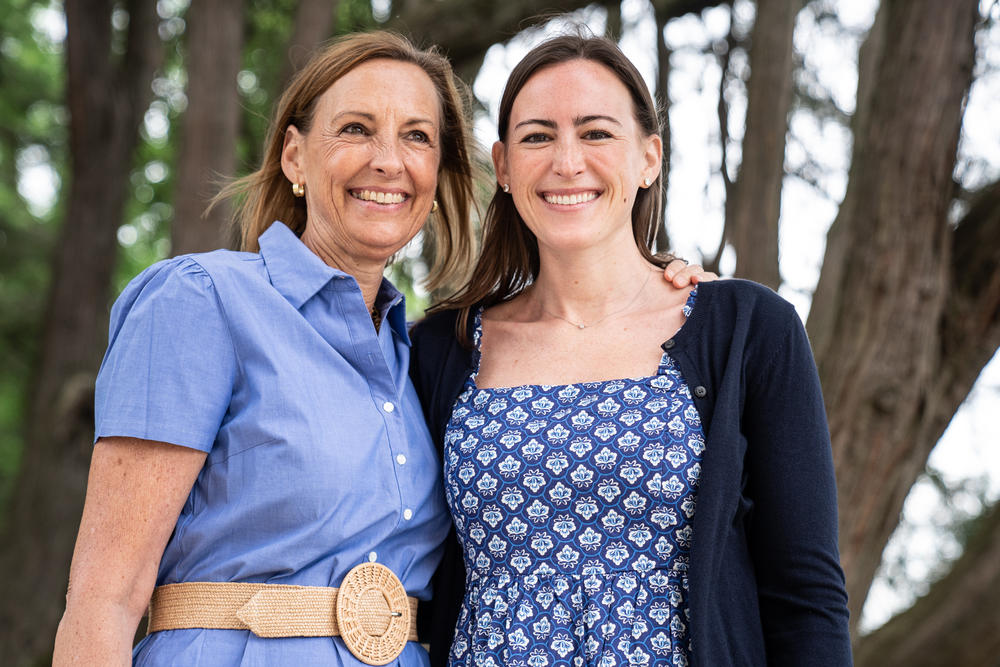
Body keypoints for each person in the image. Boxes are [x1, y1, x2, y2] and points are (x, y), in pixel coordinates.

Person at [52, 30, 705, 667]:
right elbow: (102, 601)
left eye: (416, 136)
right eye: (356, 129)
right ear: (294, 157)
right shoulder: (202, 300)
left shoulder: (424, 354)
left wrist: (659, 291)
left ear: (438, 172)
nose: (388, 161)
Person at [410, 34, 852, 666]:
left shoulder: (750, 330)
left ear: (649, 158)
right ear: (502, 166)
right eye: (538, 137)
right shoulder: (438, 350)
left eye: (596, 133)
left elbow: (806, 596)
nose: (567, 162)